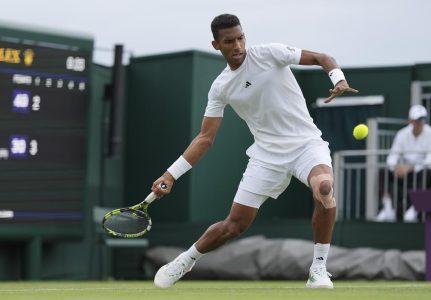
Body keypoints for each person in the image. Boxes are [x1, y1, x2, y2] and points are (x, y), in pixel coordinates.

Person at [151, 14, 358, 289]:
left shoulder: (270, 54)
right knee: (233, 226)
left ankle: (318, 269)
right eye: (229, 41)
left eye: (240, 38)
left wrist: (338, 78)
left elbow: (322, 57)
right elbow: (204, 138)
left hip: (306, 145)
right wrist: (171, 174)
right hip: (266, 157)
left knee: (324, 188)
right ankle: (185, 261)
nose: (237, 46)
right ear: (216, 45)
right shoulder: (221, 87)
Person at [376, 104, 431, 222]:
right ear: (411, 121)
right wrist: (395, 167)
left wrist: (411, 168)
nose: (420, 122)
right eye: (417, 120)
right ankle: (387, 207)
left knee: (428, 173)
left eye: (422, 119)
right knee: (383, 172)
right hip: (403, 174)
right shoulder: (402, 134)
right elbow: (392, 157)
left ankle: (415, 209)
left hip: (421, 173)